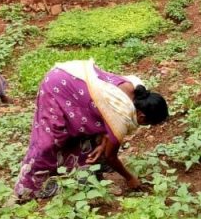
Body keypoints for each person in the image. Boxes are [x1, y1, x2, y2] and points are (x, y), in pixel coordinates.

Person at [14, 59, 169, 200]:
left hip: (73, 76)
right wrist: (129, 178)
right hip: (58, 86)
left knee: (90, 136)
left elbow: (104, 114)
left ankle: (88, 175)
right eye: (147, 124)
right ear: (142, 116)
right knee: (50, 141)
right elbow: (111, 157)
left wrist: (102, 144)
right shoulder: (121, 117)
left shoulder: (135, 88)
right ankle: (26, 189)